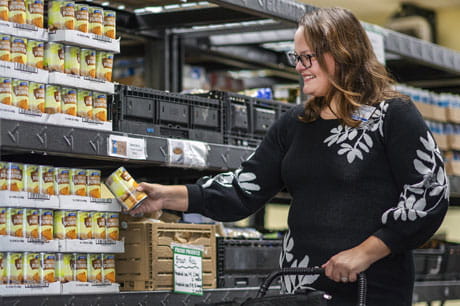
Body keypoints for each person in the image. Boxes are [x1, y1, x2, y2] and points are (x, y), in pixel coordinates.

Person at [130, 7, 449, 305]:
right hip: (300, 284)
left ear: (342, 53)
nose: (298, 67)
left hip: (372, 286)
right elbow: (242, 188)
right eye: (296, 57)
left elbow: (430, 193)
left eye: (307, 57)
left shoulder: (392, 115)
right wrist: (165, 195)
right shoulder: (295, 124)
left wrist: (364, 253)